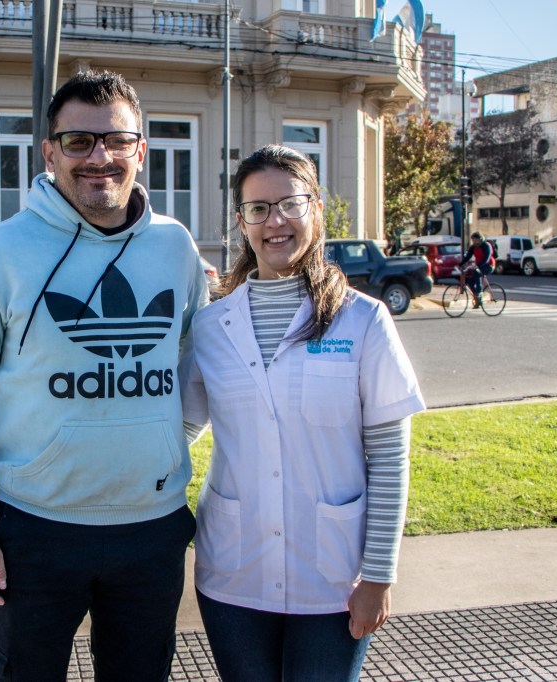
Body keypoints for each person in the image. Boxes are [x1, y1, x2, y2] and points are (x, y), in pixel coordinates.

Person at [0, 70, 208, 681]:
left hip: (150, 531)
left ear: (141, 150)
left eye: (116, 141)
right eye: (78, 142)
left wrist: (160, 443)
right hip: (32, 533)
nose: (99, 157)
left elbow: (197, 365)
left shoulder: (175, 248)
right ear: (48, 152)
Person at [179, 144, 425, 682]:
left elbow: (389, 456)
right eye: (258, 209)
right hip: (233, 573)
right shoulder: (211, 326)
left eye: (290, 203)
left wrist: (379, 575)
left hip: (334, 578)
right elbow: (183, 428)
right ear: (242, 222)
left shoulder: (363, 322)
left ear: (316, 209)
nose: (275, 222)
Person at [459, 231, 495, 306]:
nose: (474, 242)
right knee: (470, 281)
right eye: (473, 240)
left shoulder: (486, 245)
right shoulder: (473, 247)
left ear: (479, 239)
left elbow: (487, 258)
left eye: (475, 240)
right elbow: (468, 256)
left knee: (477, 273)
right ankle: (477, 299)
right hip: (479, 265)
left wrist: (479, 265)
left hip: (489, 266)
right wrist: (461, 264)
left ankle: (479, 292)